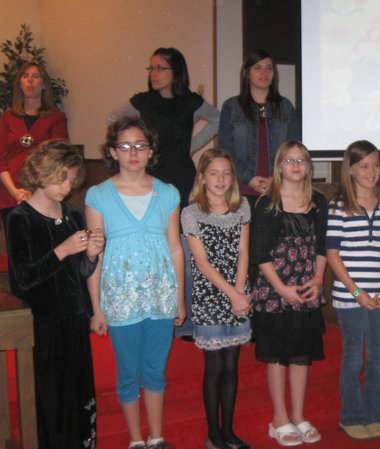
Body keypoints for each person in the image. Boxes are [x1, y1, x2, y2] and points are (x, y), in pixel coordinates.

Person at [85, 117, 186, 449]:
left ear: (150, 151)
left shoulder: (168, 193)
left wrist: (180, 299)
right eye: (125, 146)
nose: (133, 152)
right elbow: (94, 255)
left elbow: (175, 247)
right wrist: (96, 308)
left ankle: (157, 438)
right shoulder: (98, 195)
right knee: (128, 371)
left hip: (161, 296)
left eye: (140, 145)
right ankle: (136, 440)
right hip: (120, 299)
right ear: (113, 151)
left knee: (156, 370)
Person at [107, 47, 219, 341]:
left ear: (175, 72)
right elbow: (113, 120)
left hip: (180, 178)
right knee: (153, 245)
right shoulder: (142, 103)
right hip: (149, 179)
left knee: (180, 246)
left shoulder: (190, 102)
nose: (153, 74)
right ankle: (150, 311)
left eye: (160, 69)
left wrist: (191, 145)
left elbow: (216, 119)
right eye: (151, 69)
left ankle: (185, 321)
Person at [6, 139, 103, 449]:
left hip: (74, 318)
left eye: (71, 180)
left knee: (78, 393)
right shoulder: (20, 218)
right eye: (61, 178)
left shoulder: (73, 215)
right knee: (51, 396)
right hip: (43, 324)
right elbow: (22, 280)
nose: (67, 186)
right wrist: (60, 251)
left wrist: (90, 255)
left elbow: (81, 273)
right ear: (41, 171)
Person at [250, 140, 326, 446]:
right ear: (279, 166)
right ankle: (279, 418)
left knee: (301, 354)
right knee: (278, 357)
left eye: (302, 160)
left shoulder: (318, 201)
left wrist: (318, 280)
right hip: (275, 289)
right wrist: (282, 289)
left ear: (309, 166)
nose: (296, 166)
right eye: (289, 160)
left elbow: (323, 247)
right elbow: (259, 253)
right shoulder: (267, 203)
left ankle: (298, 415)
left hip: (307, 287)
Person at [326, 140, 380, 440]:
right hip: (350, 297)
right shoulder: (339, 206)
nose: (372, 171)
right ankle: (351, 415)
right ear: (351, 170)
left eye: (376, 165)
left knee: (378, 358)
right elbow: (333, 254)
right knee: (355, 357)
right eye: (364, 166)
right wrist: (357, 292)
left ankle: (372, 414)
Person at [182, 148, 252, 449]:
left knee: (232, 367)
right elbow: (202, 263)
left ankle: (229, 430)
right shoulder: (191, 212)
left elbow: (243, 253)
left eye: (226, 173)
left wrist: (240, 293)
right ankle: (213, 434)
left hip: (238, 293)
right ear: (202, 178)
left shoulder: (242, 206)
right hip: (210, 295)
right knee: (215, 368)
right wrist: (232, 294)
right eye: (214, 173)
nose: (221, 179)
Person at [218, 48, 300, 204]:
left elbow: (293, 150)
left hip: (278, 189)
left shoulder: (285, 107)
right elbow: (225, 150)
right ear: (247, 73)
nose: (264, 73)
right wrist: (249, 179)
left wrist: (276, 178)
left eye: (269, 68)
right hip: (241, 191)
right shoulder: (231, 107)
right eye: (258, 68)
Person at [0, 62, 68, 228]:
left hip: (43, 193)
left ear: (44, 85)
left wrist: (37, 192)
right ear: (19, 84)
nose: (30, 81)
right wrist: (15, 191)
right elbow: (0, 160)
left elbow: (59, 158)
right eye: (25, 76)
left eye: (36, 76)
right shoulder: (7, 117)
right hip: (10, 193)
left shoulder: (55, 117)